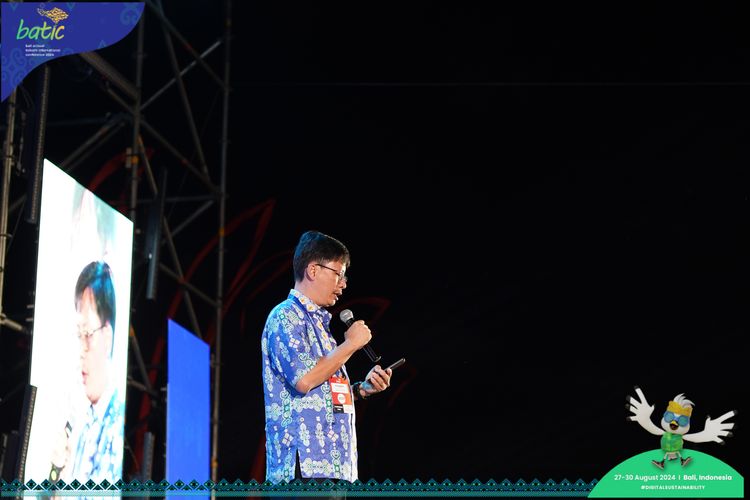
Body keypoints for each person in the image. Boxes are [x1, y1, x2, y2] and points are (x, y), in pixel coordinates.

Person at [261, 230, 392, 483]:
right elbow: (304, 379)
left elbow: (322, 392)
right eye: (338, 274)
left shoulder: (321, 327)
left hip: (334, 467)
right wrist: (350, 344)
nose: (343, 284)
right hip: (303, 467)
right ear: (313, 270)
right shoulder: (285, 316)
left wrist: (361, 389)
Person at [49, 261, 124, 484]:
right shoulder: (84, 423)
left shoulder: (117, 426)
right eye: (78, 335)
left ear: (107, 337)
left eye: (88, 334)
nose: (81, 350)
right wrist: (59, 474)